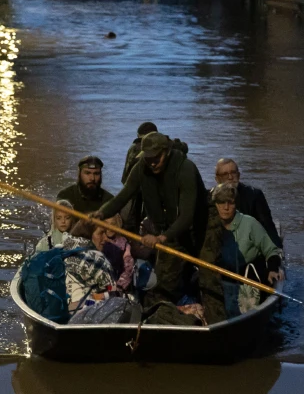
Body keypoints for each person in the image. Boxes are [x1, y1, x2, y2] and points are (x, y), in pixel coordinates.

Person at [94, 132, 208, 304]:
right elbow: (122, 197)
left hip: (199, 228)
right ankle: (172, 311)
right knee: (165, 284)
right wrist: (101, 213)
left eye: (156, 158)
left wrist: (161, 237)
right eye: (148, 158)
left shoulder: (186, 170)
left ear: (167, 152)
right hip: (170, 233)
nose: (152, 163)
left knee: (209, 279)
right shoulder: (141, 168)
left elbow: (187, 217)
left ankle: (212, 314)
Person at [205, 182, 282, 318]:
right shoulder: (210, 227)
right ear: (215, 204)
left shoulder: (250, 223)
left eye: (230, 202)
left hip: (249, 278)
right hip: (223, 278)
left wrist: (273, 269)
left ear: (236, 204)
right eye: (221, 202)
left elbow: (271, 250)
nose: (226, 207)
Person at [214, 158, 283, 249]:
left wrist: (277, 249)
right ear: (217, 179)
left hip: (250, 245)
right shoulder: (211, 197)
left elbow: (268, 226)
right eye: (225, 174)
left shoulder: (255, 195)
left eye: (233, 173)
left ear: (238, 175)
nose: (230, 177)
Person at [90, 221, 136, 291]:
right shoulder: (78, 254)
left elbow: (127, 270)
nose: (110, 227)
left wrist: (113, 289)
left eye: (113, 224)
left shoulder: (117, 250)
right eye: (101, 233)